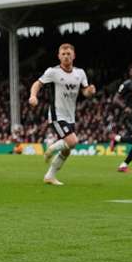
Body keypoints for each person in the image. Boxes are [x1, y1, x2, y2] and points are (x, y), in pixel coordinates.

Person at [29, 43, 96, 186]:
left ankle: (50, 176)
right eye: (63, 54)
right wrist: (33, 96)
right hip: (56, 114)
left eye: (69, 54)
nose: (66, 56)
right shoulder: (52, 72)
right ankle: (52, 148)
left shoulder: (80, 73)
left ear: (74, 56)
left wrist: (89, 92)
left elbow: (85, 91)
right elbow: (37, 83)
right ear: (59, 56)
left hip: (70, 115)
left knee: (67, 149)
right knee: (72, 142)